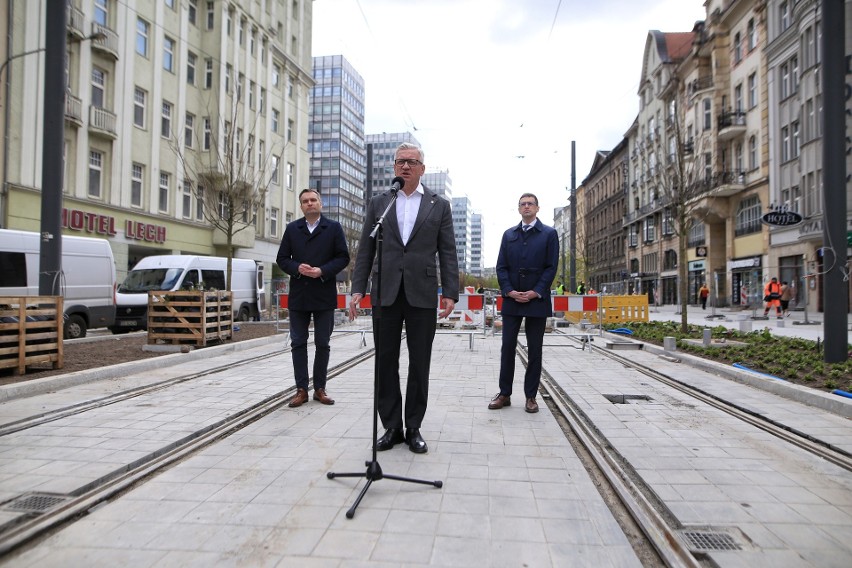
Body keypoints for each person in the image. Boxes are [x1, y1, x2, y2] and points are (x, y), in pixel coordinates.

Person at [348, 142, 459, 454]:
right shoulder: (380, 203)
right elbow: (365, 249)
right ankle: (391, 426)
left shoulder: (439, 205)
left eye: (412, 162)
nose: (406, 167)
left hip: (422, 293)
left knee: (419, 362)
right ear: (394, 168)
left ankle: (413, 427)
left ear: (422, 168)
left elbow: (448, 251)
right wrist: (358, 289)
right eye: (400, 162)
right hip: (385, 291)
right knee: (385, 362)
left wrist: (450, 291)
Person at [277, 189, 350, 408]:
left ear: (321, 203)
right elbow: (282, 258)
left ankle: (320, 388)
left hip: (323, 294)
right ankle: (301, 390)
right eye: (305, 201)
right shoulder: (292, 229)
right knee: (298, 343)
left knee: (323, 343)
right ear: (301, 206)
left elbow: (343, 257)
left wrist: (323, 271)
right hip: (299, 295)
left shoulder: (333, 228)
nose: (310, 204)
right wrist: (297, 268)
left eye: (313, 200)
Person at [488, 193, 559, 414]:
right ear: (518, 209)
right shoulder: (509, 234)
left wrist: (536, 291)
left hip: (536, 300)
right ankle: (504, 394)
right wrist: (509, 290)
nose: (526, 207)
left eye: (530, 204)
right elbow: (501, 266)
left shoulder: (549, 234)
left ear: (537, 208)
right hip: (512, 299)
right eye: (523, 204)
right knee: (507, 346)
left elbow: (551, 267)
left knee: (535, 349)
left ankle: (531, 397)